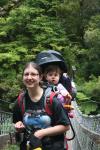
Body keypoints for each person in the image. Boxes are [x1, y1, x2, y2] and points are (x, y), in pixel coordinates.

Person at [13, 62, 70, 150]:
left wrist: (41, 133)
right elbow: (18, 122)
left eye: (33, 74)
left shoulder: (51, 99)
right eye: (26, 74)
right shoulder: (20, 100)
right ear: (23, 77)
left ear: (40, 77)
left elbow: (65, 126)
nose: (29, 77)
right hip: (30, 146)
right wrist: (19, 125)